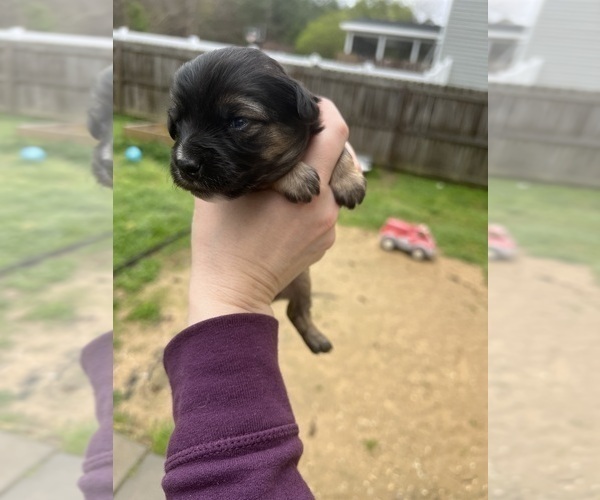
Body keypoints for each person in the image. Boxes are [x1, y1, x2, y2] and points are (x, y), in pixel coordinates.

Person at [161, 98, 357, 499]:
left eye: (237, 121)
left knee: (301, 289)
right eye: (177, 130)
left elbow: (335, 152)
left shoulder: (295, 122)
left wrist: (345, 168)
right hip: (239, 258)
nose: (183, 151)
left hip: (285, 265)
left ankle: (304, 322)